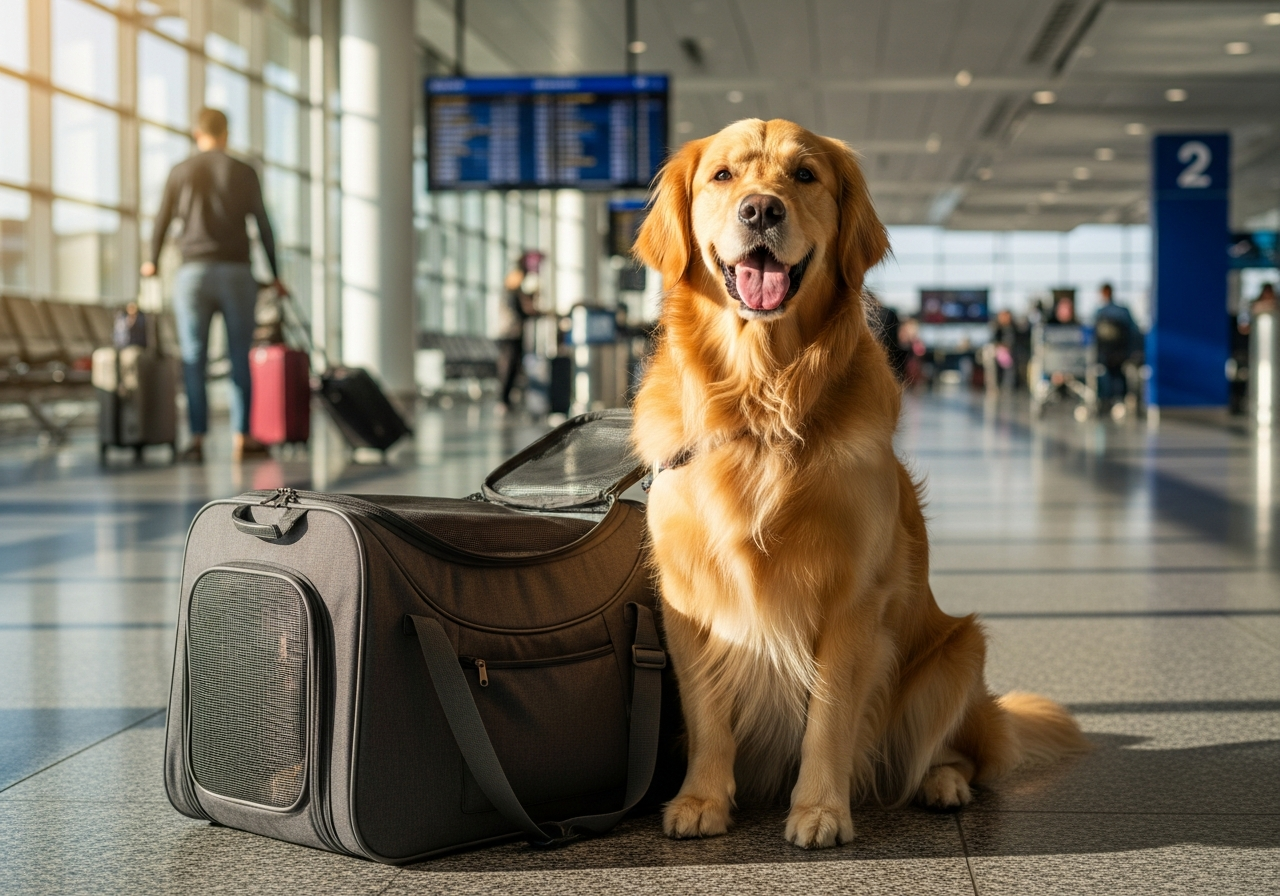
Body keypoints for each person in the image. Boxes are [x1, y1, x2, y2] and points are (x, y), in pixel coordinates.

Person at [141, 107, 288, 462]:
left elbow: (162, 219)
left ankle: (196, 438)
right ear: (226, 133)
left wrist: (152, 261)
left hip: (193, 273)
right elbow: (263, 224)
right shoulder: (243, 170)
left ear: (197, 133)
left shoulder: (181, 170)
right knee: (241, 356)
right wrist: (276, 273)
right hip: (237, 272)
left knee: (194, 358)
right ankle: (244, 436)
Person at [497, 251, 541, 412]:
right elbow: (519, 308)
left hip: (513, 331)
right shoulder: (514, 281)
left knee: (513, 367)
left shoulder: (514, 281)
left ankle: (506, 400)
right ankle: (503, 400)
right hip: (510, 332)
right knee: (508, 367)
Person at [1092, 282, 1138, 407]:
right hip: (1121, 353)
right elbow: (1134, 332)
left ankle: (1106, 401)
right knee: (1119, 375)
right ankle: (1120, 400)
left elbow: (1093, 336)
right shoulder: (1123, 311)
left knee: (1105, 374)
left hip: (1105, 354)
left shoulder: (1099, 313)